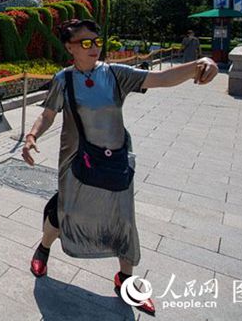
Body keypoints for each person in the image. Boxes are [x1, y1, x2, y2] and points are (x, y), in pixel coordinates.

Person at [21, 18, 217, 316]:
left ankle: (125, 279)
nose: (94, 47)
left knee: (124, 220)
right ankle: (44, 248)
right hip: (77, 161)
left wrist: (199, 65)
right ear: (70, 47)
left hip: (115, 160)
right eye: (86, 43)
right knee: (65, 212)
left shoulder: (115, 74)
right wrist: (32, 135)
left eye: (97, 41)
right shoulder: (64, 79)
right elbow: (48, 113)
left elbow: (160, 78)